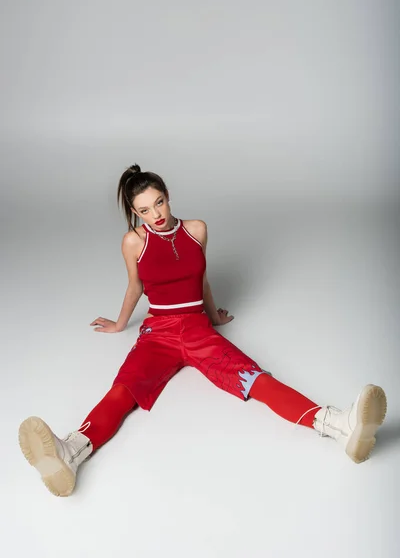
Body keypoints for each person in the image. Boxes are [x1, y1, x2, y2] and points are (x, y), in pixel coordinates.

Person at [18, 164, 388, 497]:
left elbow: (202, 280)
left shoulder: (196, 230)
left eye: (159, 203)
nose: (155, 215)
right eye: (144, 210)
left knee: (255, 379)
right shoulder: (133, 242)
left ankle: (341, 425)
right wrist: (119, 324)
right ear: (134, 212)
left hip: (196, 328)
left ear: (168, 196)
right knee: (124, 390)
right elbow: (136, 287)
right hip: (157, 332)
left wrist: (214, 316)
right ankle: (70, 453)